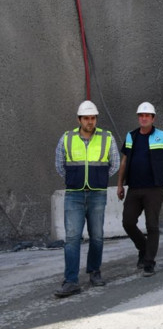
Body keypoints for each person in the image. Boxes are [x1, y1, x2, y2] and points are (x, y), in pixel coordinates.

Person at [53, 100, 120, 298]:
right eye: (86, 118)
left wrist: (100, 178)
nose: (90, 122)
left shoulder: (107, 138)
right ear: (79, 119)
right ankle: (71, 281)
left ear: (96, 119)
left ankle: (94, 272)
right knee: (72, 238)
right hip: (74, 194)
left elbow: (114, 163)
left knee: (97, 235)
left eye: (93, 118)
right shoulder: (67, 138)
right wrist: (73, 179)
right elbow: (59, 164)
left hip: (97, 194)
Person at [117, 102, 163, 277]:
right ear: (138, 117)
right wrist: (120, 184)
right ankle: (144, 248)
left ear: (153, 118)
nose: (143, 118)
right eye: (141, 115)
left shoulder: (162, 136)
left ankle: (149, 262)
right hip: (134, 187)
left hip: (154, 189)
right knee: (127, 222)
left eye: (147, 115)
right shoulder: (131, 136)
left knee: (152, 225)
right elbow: (124, 161)